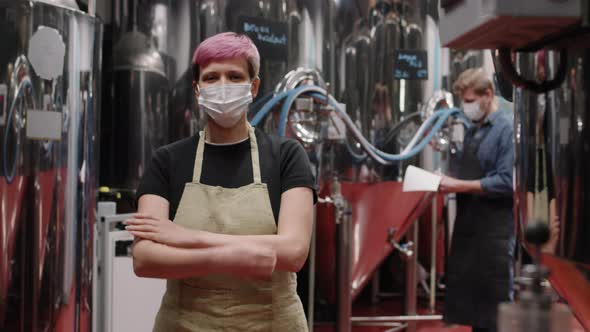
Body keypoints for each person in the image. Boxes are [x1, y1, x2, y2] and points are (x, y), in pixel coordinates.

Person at [125, 32, 316, 331]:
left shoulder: (286, 156)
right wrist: (233, 256)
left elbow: (293, 252)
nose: (222, 86)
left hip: (272, 322)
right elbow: (146, 258)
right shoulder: (168, 161)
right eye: (211, 77)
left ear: (253, 87)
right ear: (198, 90)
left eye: (234, 76)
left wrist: (189, 238)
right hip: (186, 323)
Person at [440, 68, 515, 332]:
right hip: (470, 230)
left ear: (488, 95)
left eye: (470, 101)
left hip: (495, 231)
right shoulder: (475, 130)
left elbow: (507, 181)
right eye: (464, 102)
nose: (466, 107)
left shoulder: (505, 129)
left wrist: (458, 185)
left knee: (495, 310)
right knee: (475, 312)